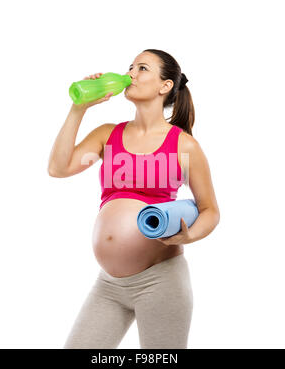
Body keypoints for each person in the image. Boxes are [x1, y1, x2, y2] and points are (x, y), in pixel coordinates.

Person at [48, 49, 220, 349]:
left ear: (164, 86)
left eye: (142, 69)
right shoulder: (107, 135)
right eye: (130, 67)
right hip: (110, 284)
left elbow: (209, 210)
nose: (131, 74)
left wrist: (191, 235)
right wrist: (79, 109)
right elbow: (58, 168)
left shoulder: (184, 145)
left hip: (160, 281)